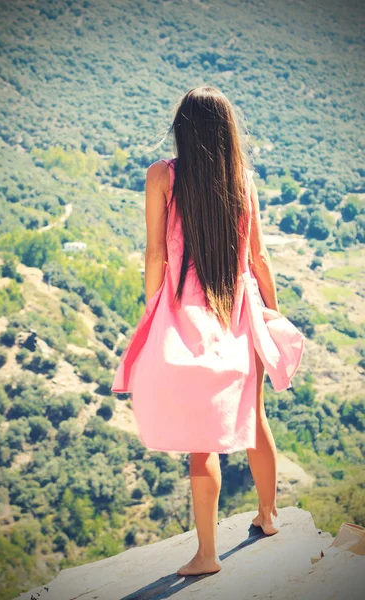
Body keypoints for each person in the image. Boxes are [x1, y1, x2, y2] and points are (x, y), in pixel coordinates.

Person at [111, 86, 304, 577]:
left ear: (182, 129)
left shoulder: (162, 176)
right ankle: (269, 514)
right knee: (254, 416)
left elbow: (155, 254)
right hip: (242, 310)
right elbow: (259, 258)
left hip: (187, 310)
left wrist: (154, 307)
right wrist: (270, 317)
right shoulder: (243, 179)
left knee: (204, 440)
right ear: (225, 133)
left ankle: (207, 555)